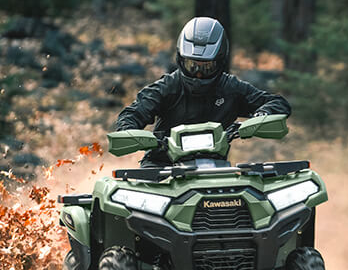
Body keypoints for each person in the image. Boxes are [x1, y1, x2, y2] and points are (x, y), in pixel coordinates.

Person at [114, 17, 291, 164]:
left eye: (206, 67)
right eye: (192, 65)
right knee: (136, 202)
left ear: (220, 61)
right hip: (161, 167)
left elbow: (277, 103)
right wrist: (129, 131)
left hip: (214, 169)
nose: (198, 74)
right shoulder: (166, 87)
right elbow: (133, 113)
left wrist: (260, 117)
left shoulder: (231, 88)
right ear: (181, 60)